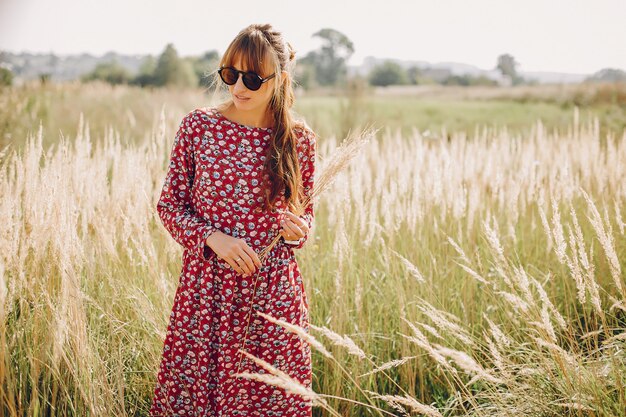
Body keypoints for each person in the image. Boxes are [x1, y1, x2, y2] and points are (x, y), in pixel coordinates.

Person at [149, 23, 316, 417]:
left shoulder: (299, 140)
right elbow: (169, 206)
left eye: (253, 78)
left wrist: (298, 231)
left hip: (272, 296)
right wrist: (212, 238)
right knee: (195, 402)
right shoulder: (199, 127)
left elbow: (305, 218)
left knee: (270, 403)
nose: (239, 86)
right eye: (230, 73)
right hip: (205, 292)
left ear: (280, 80)